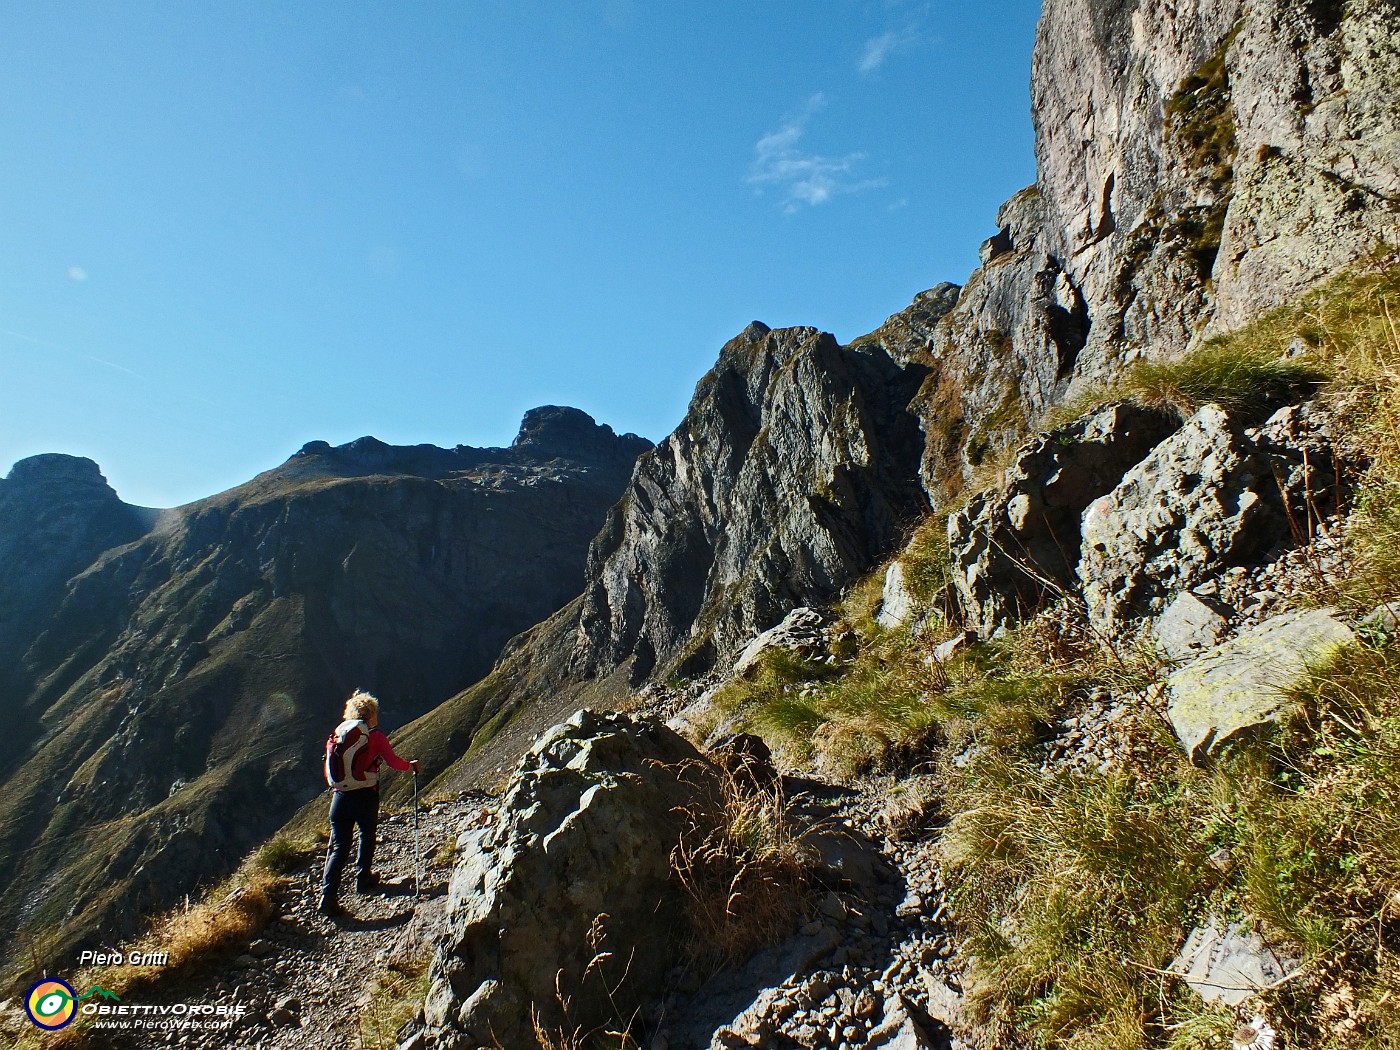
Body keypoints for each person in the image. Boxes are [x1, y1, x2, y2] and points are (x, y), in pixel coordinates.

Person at [319, 690, 420, 915]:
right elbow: (392, 762)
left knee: (339, 847)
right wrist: (411, 766)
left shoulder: (339, 734)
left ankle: (327, 897)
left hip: (340, 797)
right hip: (365, 795)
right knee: (366, 834)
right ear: (372, 713)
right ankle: (363, 879)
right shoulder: (374, 736)